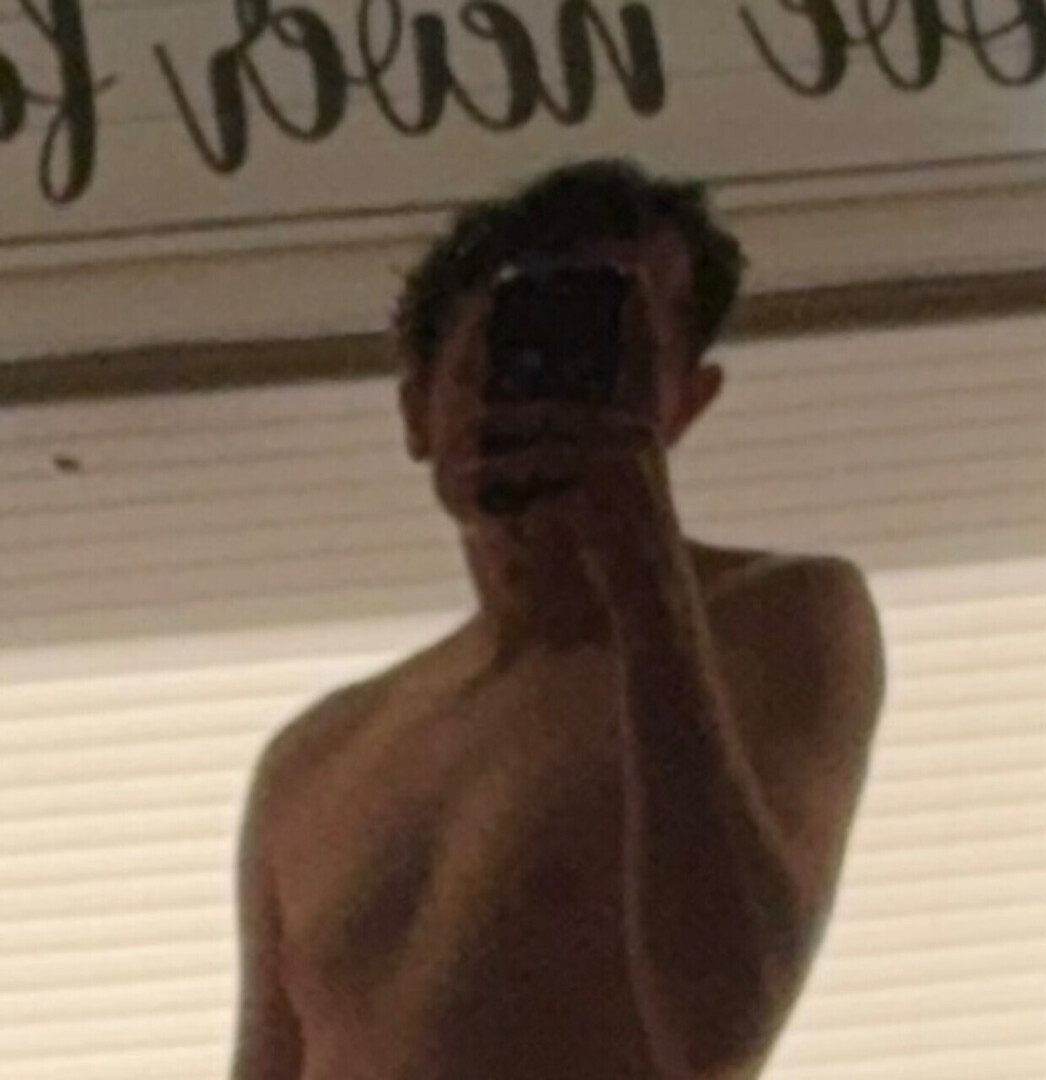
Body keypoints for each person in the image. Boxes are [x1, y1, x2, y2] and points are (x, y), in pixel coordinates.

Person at [230, 159, 886, 1080]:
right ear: (418, 409)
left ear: (681, 402)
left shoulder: (780, 619)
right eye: (499, 363)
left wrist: (644, 570)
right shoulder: (318, 755)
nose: (541, 401)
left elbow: (717, 1034)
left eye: (605, 364)